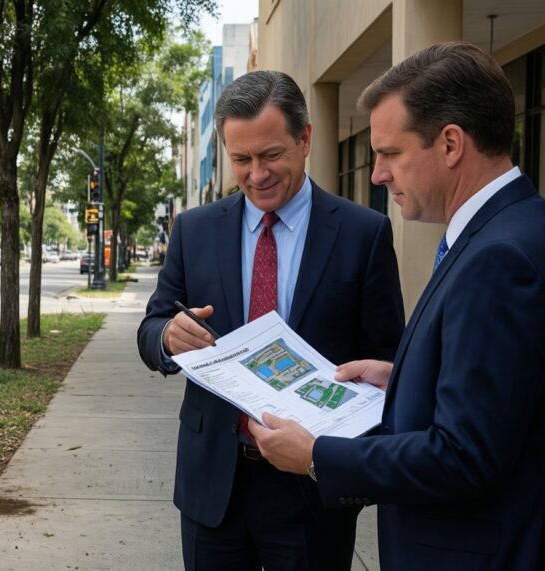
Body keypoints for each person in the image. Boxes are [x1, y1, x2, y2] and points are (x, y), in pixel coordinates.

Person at [250, 42, 545, 571]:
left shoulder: (500, 258)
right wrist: (404, 377)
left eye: (390, 153)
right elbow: (502, 397)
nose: (377, 174)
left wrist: (316, 457)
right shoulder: (518, 228)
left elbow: (465, 455)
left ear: (450, 143)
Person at [137, 70, 405, 570]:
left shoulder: (362, 233)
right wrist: (167, 338)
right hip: (213, 481)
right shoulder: (194, 231)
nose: (256, 174)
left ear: (305, 139)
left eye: (271, 155)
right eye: (241, 160)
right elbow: (153, 326)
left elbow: (388, 360)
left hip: (311, 489)